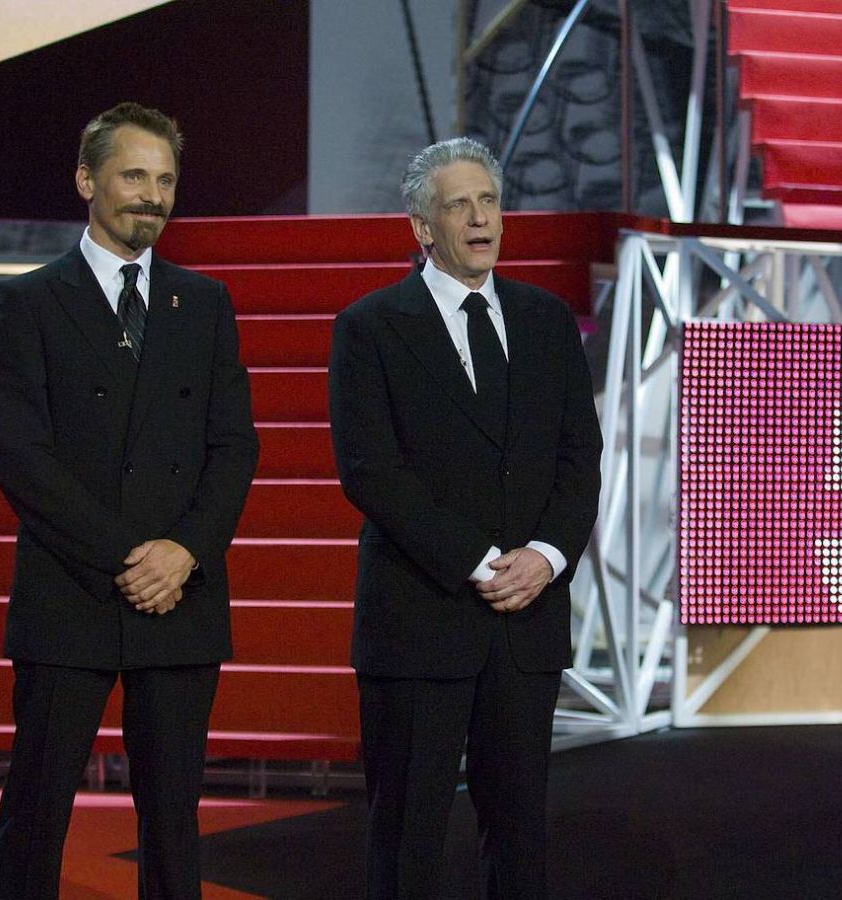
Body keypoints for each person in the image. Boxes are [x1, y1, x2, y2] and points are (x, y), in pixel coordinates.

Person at [0, 102, 258, 899]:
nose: (153, 195)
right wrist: (128, 559)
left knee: (172, 823)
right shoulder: (27, 303)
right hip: (70, 596)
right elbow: (22, 458)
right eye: (134, 175)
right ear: (85, 181)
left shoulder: (204, 303)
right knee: (35, 812)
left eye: (165, 179)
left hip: (181, 598)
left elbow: (234, 446)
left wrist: (184, 552)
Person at [328, 137, 603, 899]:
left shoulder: (547, 321)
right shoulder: (371, 327)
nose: (480, 218)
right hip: (421, 622)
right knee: (407, 837)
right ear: (423, 226)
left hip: (527, 628)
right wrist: (482, 564)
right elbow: (372, 473)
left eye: (489, 202)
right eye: (459, 205)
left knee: (519, 837)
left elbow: (581, 459)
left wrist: (545, 556)